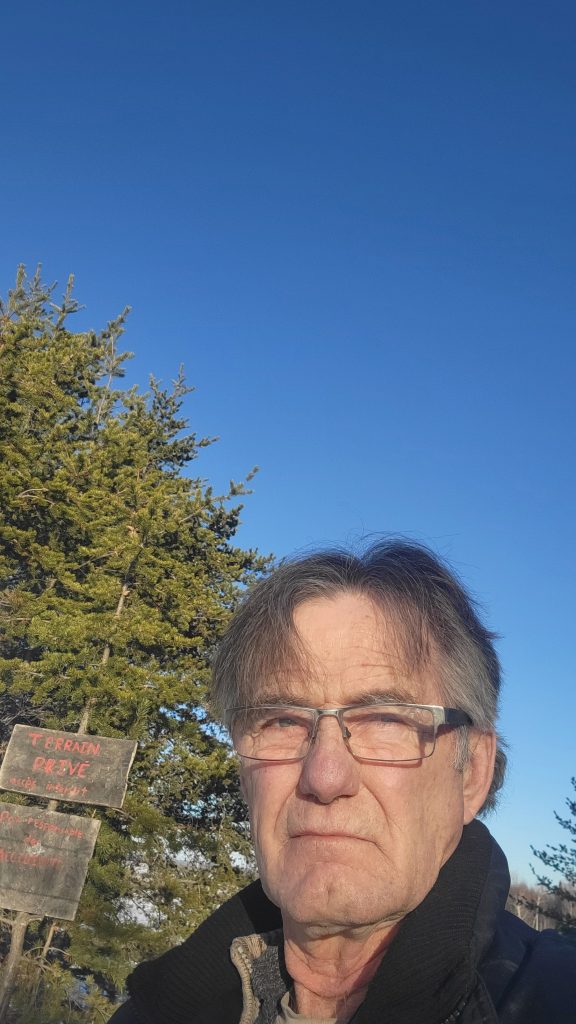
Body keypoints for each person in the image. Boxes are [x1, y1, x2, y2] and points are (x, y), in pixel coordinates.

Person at [110, 540, 576, 1024]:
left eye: (386, 719)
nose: (325, 776)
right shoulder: (153, 1011)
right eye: (283, 721)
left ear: (472, 773)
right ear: (246, 778)